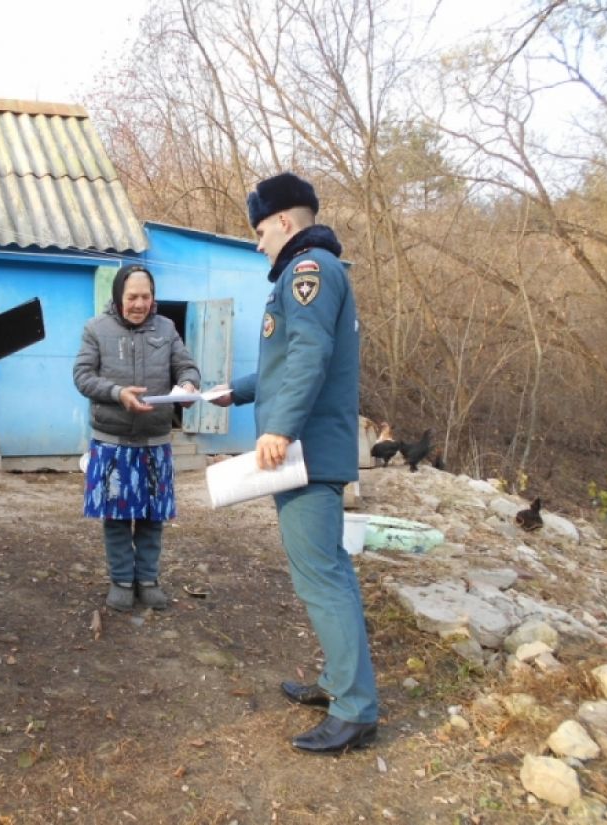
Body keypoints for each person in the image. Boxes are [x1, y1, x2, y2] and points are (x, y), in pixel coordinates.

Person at [211, 172, 379, 753]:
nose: (258, 243)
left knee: (320, 577)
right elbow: (291, 362)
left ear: (285, 221)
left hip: (305, 453)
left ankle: (355, 709)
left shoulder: (308, 271)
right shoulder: (317, 271)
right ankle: (339, 683)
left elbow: (311, 352)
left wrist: (279, 427)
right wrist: (237, 391)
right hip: (314, 450)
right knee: (329, 569)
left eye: (260, 231)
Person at [73, 264, 200, 612]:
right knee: (115, 517)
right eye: (132, 297)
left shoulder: (167, 327)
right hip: (112, 440)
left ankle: (148, 580)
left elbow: (187, 367)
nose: (140, 304)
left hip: (155, 441)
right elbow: (82, 376)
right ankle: (121, 581)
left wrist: (189, 385)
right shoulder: (96, 329)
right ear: (119, 296)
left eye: (146, 296)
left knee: (151, 517)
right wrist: (116, 393)